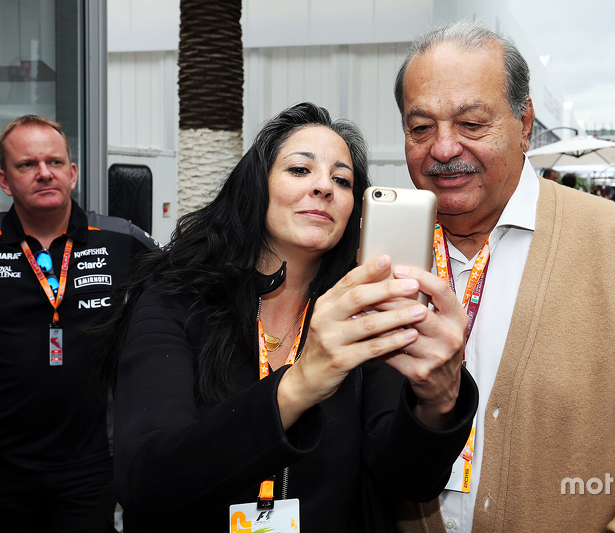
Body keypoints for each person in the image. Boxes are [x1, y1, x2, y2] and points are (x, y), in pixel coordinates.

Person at [392, 20, 615, 533]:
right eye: (421, 128)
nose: (442, 149)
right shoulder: (375, 258)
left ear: (524, 123)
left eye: (471, 124)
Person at [97, 102, 478, 533]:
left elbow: (407, 480)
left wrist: (439, 403)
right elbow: (144, 483)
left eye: (342, 180)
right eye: (300, 170)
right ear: (256, 186)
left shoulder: (365, 312)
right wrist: (300, 383)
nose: (324, 188)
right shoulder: (174, 298)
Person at [0, 115, 158, 531]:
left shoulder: (122, 239)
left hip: (89, 467)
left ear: (72, 174)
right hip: (4, 467)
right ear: (4, 180)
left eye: (54, 162)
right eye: (26, 165)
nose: (43, 173)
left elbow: (190, 286)